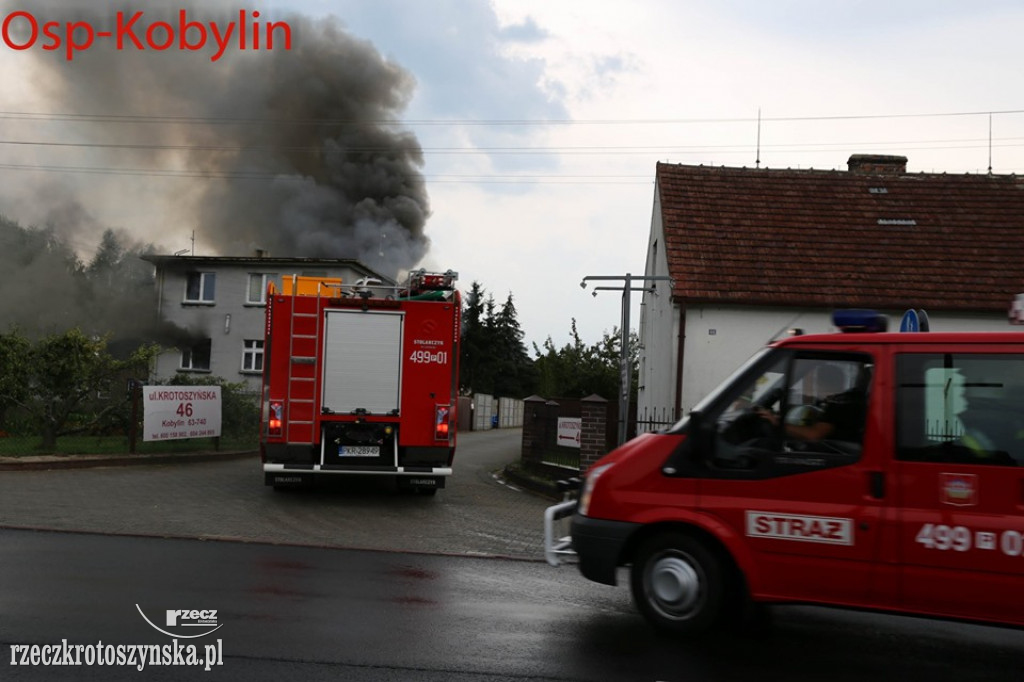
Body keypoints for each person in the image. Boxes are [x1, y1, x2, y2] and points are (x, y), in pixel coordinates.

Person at [761, 364, 867, 443]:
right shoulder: (835, 402)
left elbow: (814, 435)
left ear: (820, 383)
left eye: (816, 380)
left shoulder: (839, 405)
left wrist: (778, 423)